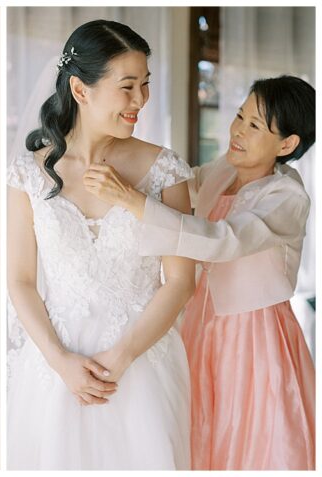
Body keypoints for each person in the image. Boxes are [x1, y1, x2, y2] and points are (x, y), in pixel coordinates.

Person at [85, 75, 316, 470]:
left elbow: (221, 239)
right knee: (197, 427)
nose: (237, 131)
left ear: (287, 144)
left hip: (254, 336)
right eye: (240, 116)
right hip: (198, 320)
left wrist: (130, 198)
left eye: (255, 126)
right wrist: (131, 169)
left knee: (247, 436)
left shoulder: (287, 197)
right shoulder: (227, 167)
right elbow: (183, 185)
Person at [6, 19, 195, 469]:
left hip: (141, 362)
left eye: (145, 85)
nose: (140, 101)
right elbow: (20, 280)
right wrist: (61, 362)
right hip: (54, 368)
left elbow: (181, 281)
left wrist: (121, 356)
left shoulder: (165, 169)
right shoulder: (28, 174)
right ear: (80, 89)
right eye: (127, 87)